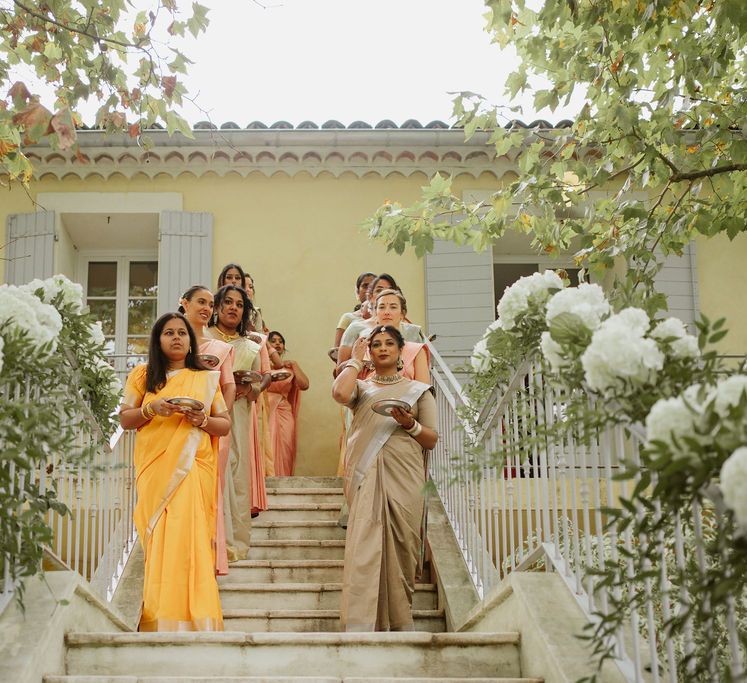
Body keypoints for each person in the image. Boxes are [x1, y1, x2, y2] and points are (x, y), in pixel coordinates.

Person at [119, 312, 231, 631]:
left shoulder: (207, 377)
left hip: (193, 467)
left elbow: (224, 425)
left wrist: (201, 421)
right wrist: (151, 409)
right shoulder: (142, 375)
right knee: (159, 540)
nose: (177, 338)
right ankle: (159, 615)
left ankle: (195, 617)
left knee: (190, 538)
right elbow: (125, 418)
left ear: (191, 340)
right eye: (168, 333)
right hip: (155, 468)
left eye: (182, 333)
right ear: (158, 340)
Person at [332, 325, 438, 632]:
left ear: (400, 350)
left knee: (403, 545)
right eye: (375, 344)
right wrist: (354, 359)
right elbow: (339, 393)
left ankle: (400, 620)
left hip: (405, 476)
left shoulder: (417, 391)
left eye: (389, 343)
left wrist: (410, 425)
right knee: (365, 545)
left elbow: (431, 439)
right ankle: (361, 623)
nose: (382, 348)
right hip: (366, 477)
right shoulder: (361, 390)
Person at [178, 285, 236, 575]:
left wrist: (215, 418)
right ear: (184, 303)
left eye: (210, 304)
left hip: (210, 429)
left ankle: (207, 558)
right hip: (174, 428)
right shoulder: (172, 342)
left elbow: (228, 387)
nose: (206, 308)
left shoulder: (222, 349)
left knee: (209, 493)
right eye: (200, 302)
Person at [207, 285, 270, 525]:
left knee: (236, 465)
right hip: (211, 409)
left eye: (240, 304)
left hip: (241, 411)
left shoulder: (250, 343)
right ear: (218, 306)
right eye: (229, 302)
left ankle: (233, 538)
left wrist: (249, 388)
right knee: (214, 462)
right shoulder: (204, 337)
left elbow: (263, 375)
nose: (234, 307)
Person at [266, 331, 309, 476]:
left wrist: (295, 365)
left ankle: (284, 477)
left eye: (280, 341)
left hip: (284, 410)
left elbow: (304, 385)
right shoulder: (261, 366)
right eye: (273, 341)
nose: (278, 343)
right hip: (265, 410)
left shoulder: (289, 368)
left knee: (286, 445)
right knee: (268, 444)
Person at [333, 272, 376, 349]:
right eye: (365, 286)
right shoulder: (348, 318)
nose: (369, 290)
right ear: (358, 292)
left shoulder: (385, 317)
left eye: (373, 286)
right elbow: (337, 349)